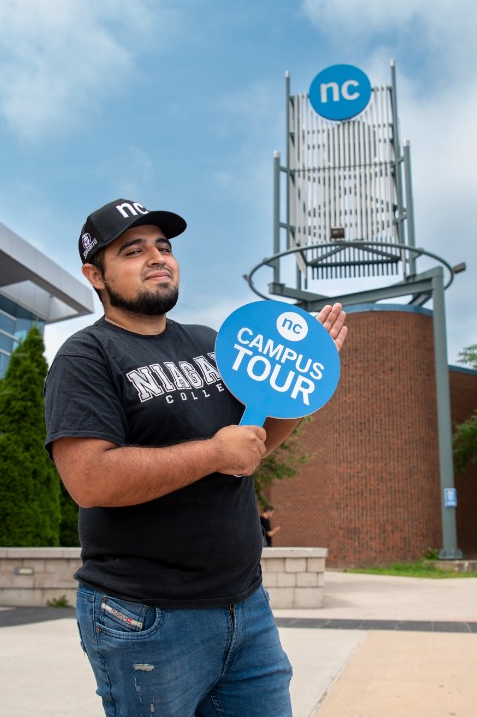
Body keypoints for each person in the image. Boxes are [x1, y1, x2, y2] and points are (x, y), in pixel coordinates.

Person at [44, 197, 347, 717]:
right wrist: (211, 452)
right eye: (134, 251)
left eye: (163, 247)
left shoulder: (212, 344)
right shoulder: (86, 356)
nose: (158, 257)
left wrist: (300, 382)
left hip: (247, 606)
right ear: (95, 275)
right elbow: (90, 480)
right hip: (147, 617)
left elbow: (251, 448)